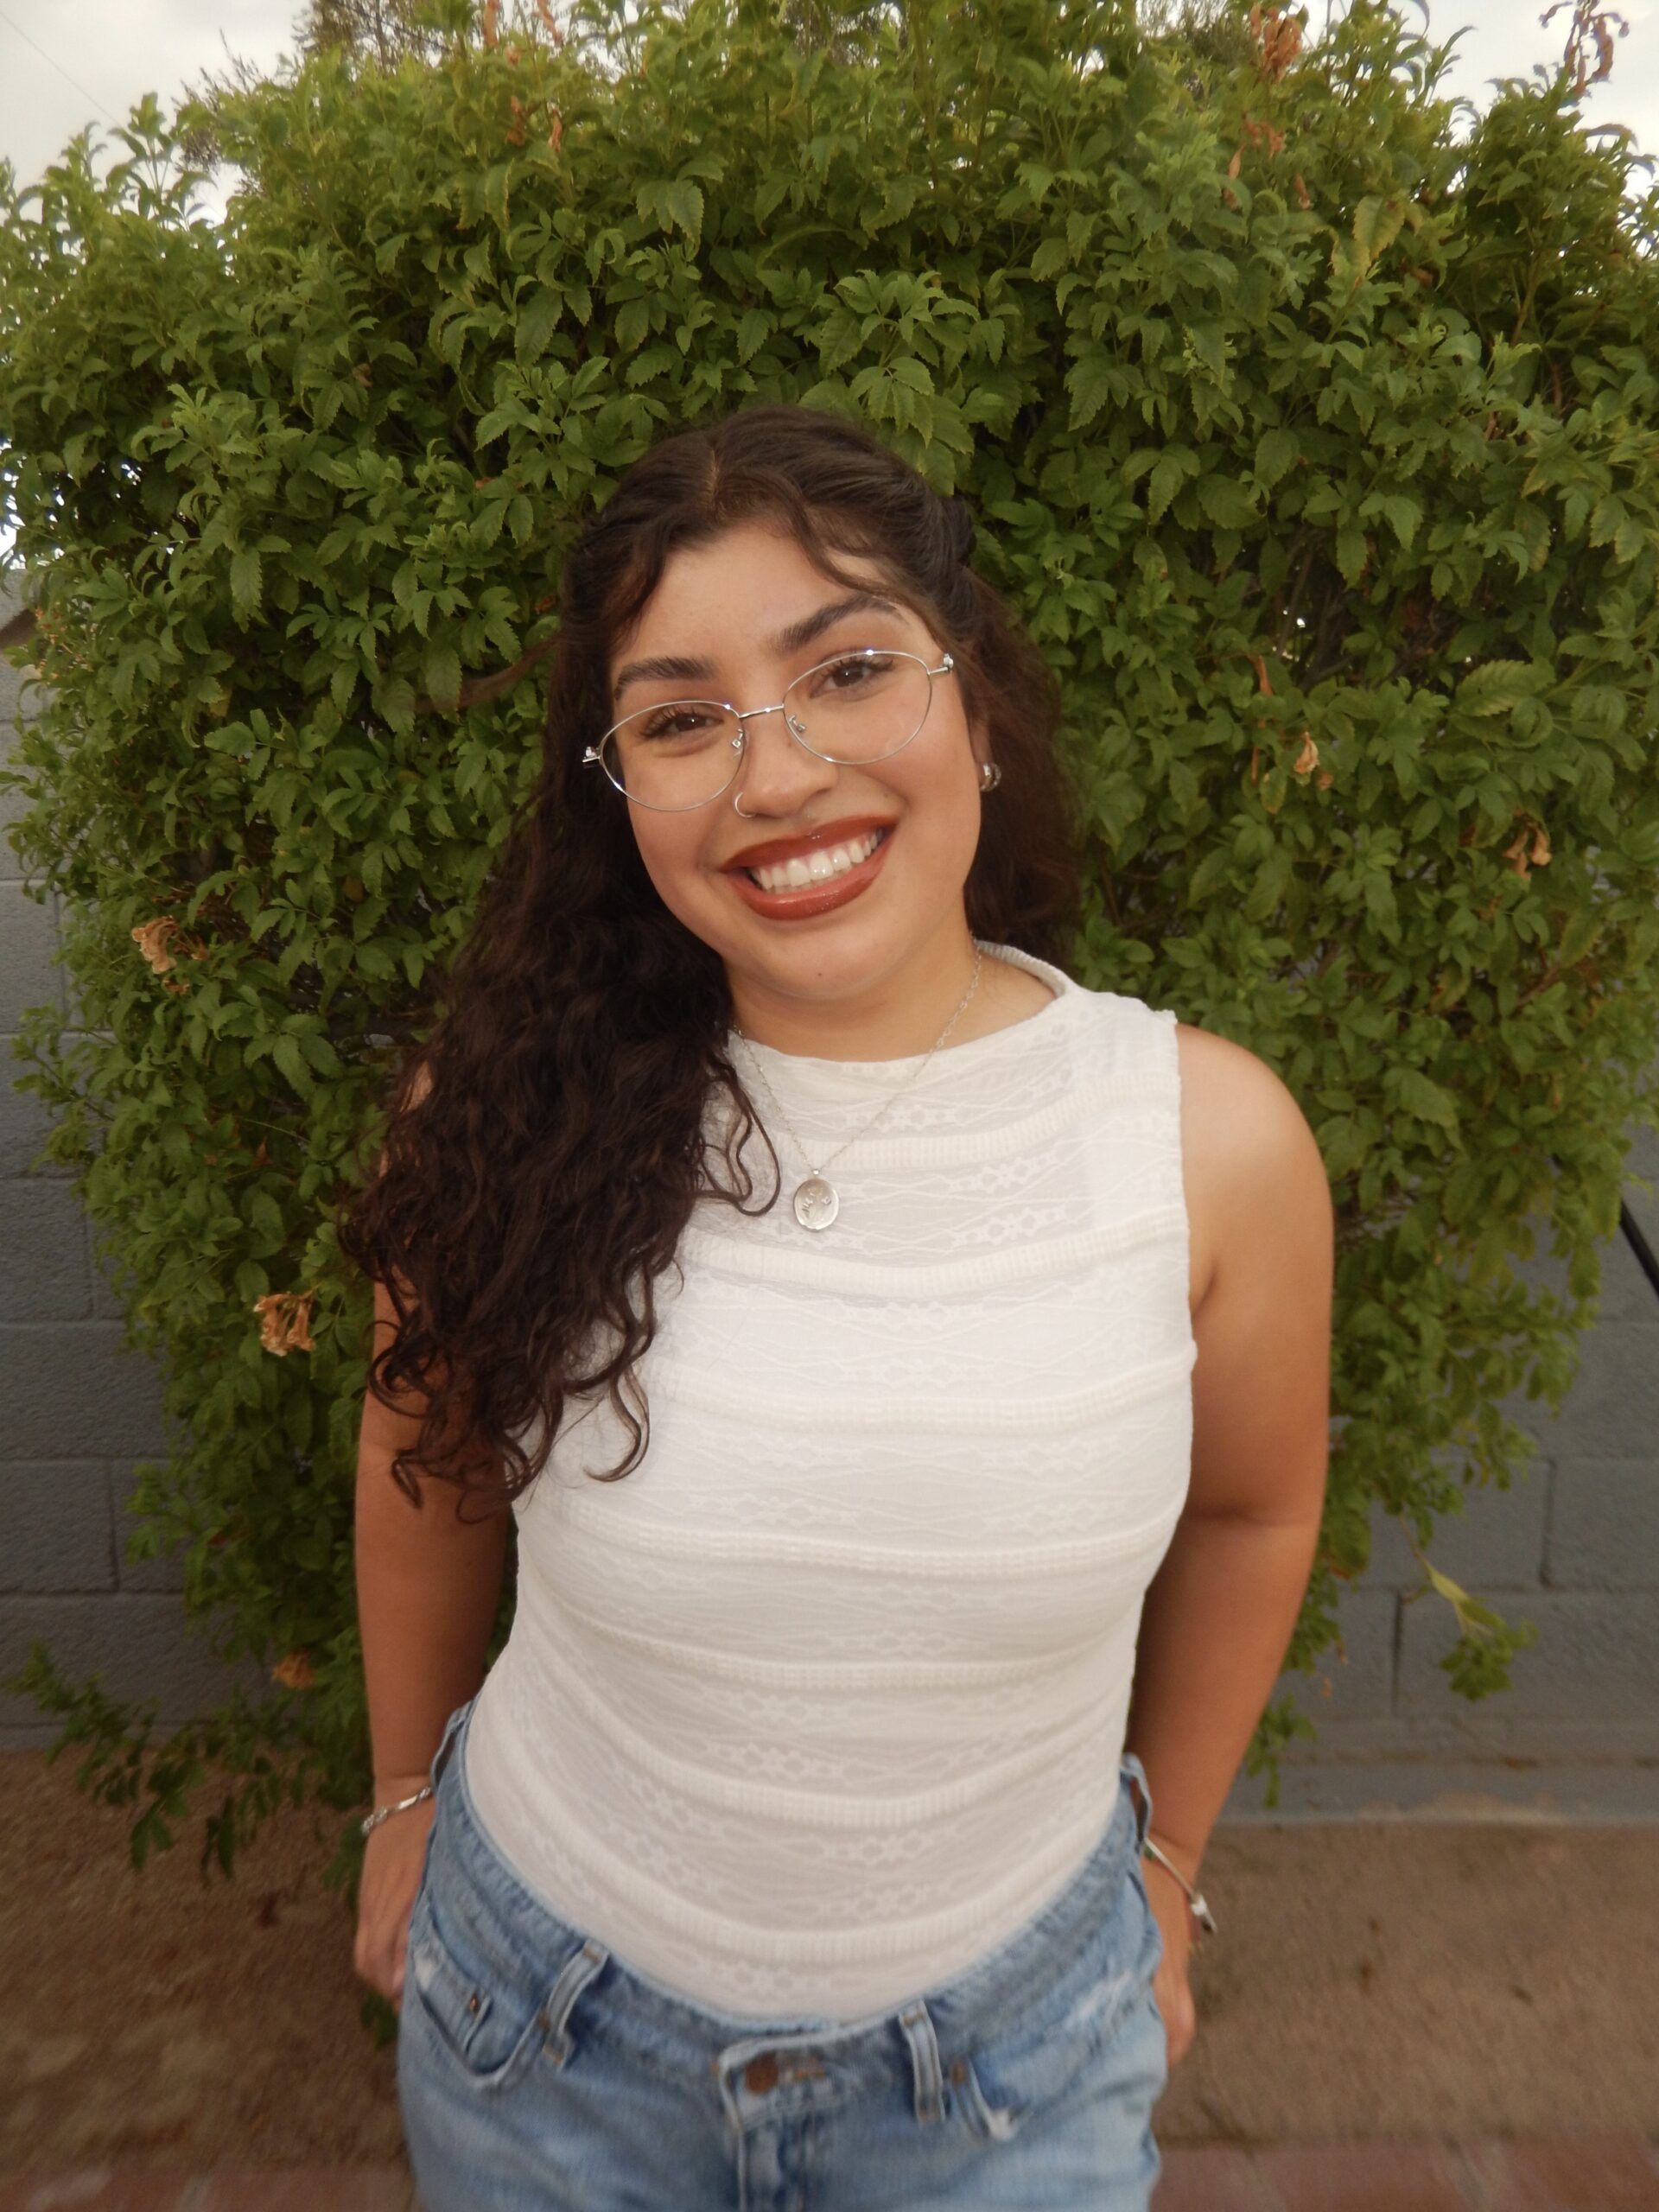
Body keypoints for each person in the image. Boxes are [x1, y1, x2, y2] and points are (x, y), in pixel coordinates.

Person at [343, 400, 1333, 2211]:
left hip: (1013, 2074)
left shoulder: (1209, 1141)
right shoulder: (505, 1114)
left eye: (847, 668)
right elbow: (426, 1443)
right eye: (681, 716)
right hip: (540, 2045)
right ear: (615, 782)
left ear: (972, 696)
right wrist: (403, 1797)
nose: (777, 772)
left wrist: (1169, 1866)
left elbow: (1259, 1506)